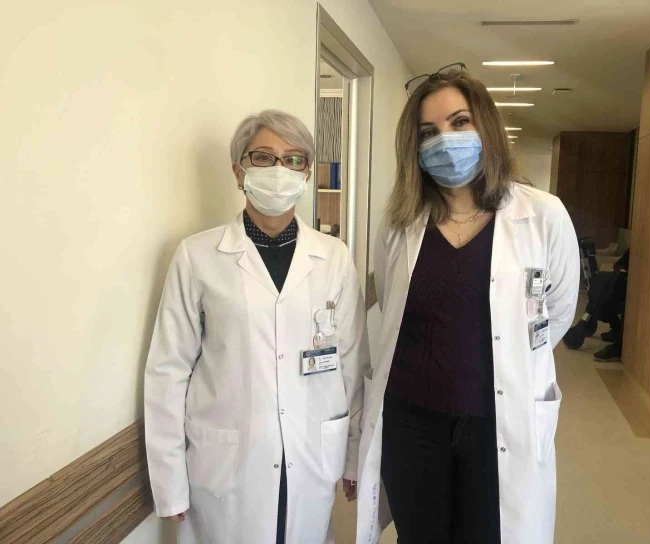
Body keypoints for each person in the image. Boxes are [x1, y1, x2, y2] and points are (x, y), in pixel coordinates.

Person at [355, 64, 580, 544]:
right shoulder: (399, 224)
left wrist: (510, 359)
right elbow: (393, 309)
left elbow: (558, 312)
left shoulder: (543, 214)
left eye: (459, 122)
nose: (445, 140)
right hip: (412, 419)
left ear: (487, 128)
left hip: (498, 418)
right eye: (428, 132)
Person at [144, 110, 370, 544]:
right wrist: (169, 483)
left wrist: (355, 455)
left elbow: (353, 364)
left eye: (294, 159)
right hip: (229, 463)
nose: (280, 169)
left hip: (310, 454)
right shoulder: (197, 256)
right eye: (264, 157)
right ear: (239, 171)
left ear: (306, 174)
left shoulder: (334, 257)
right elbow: (168, 371)